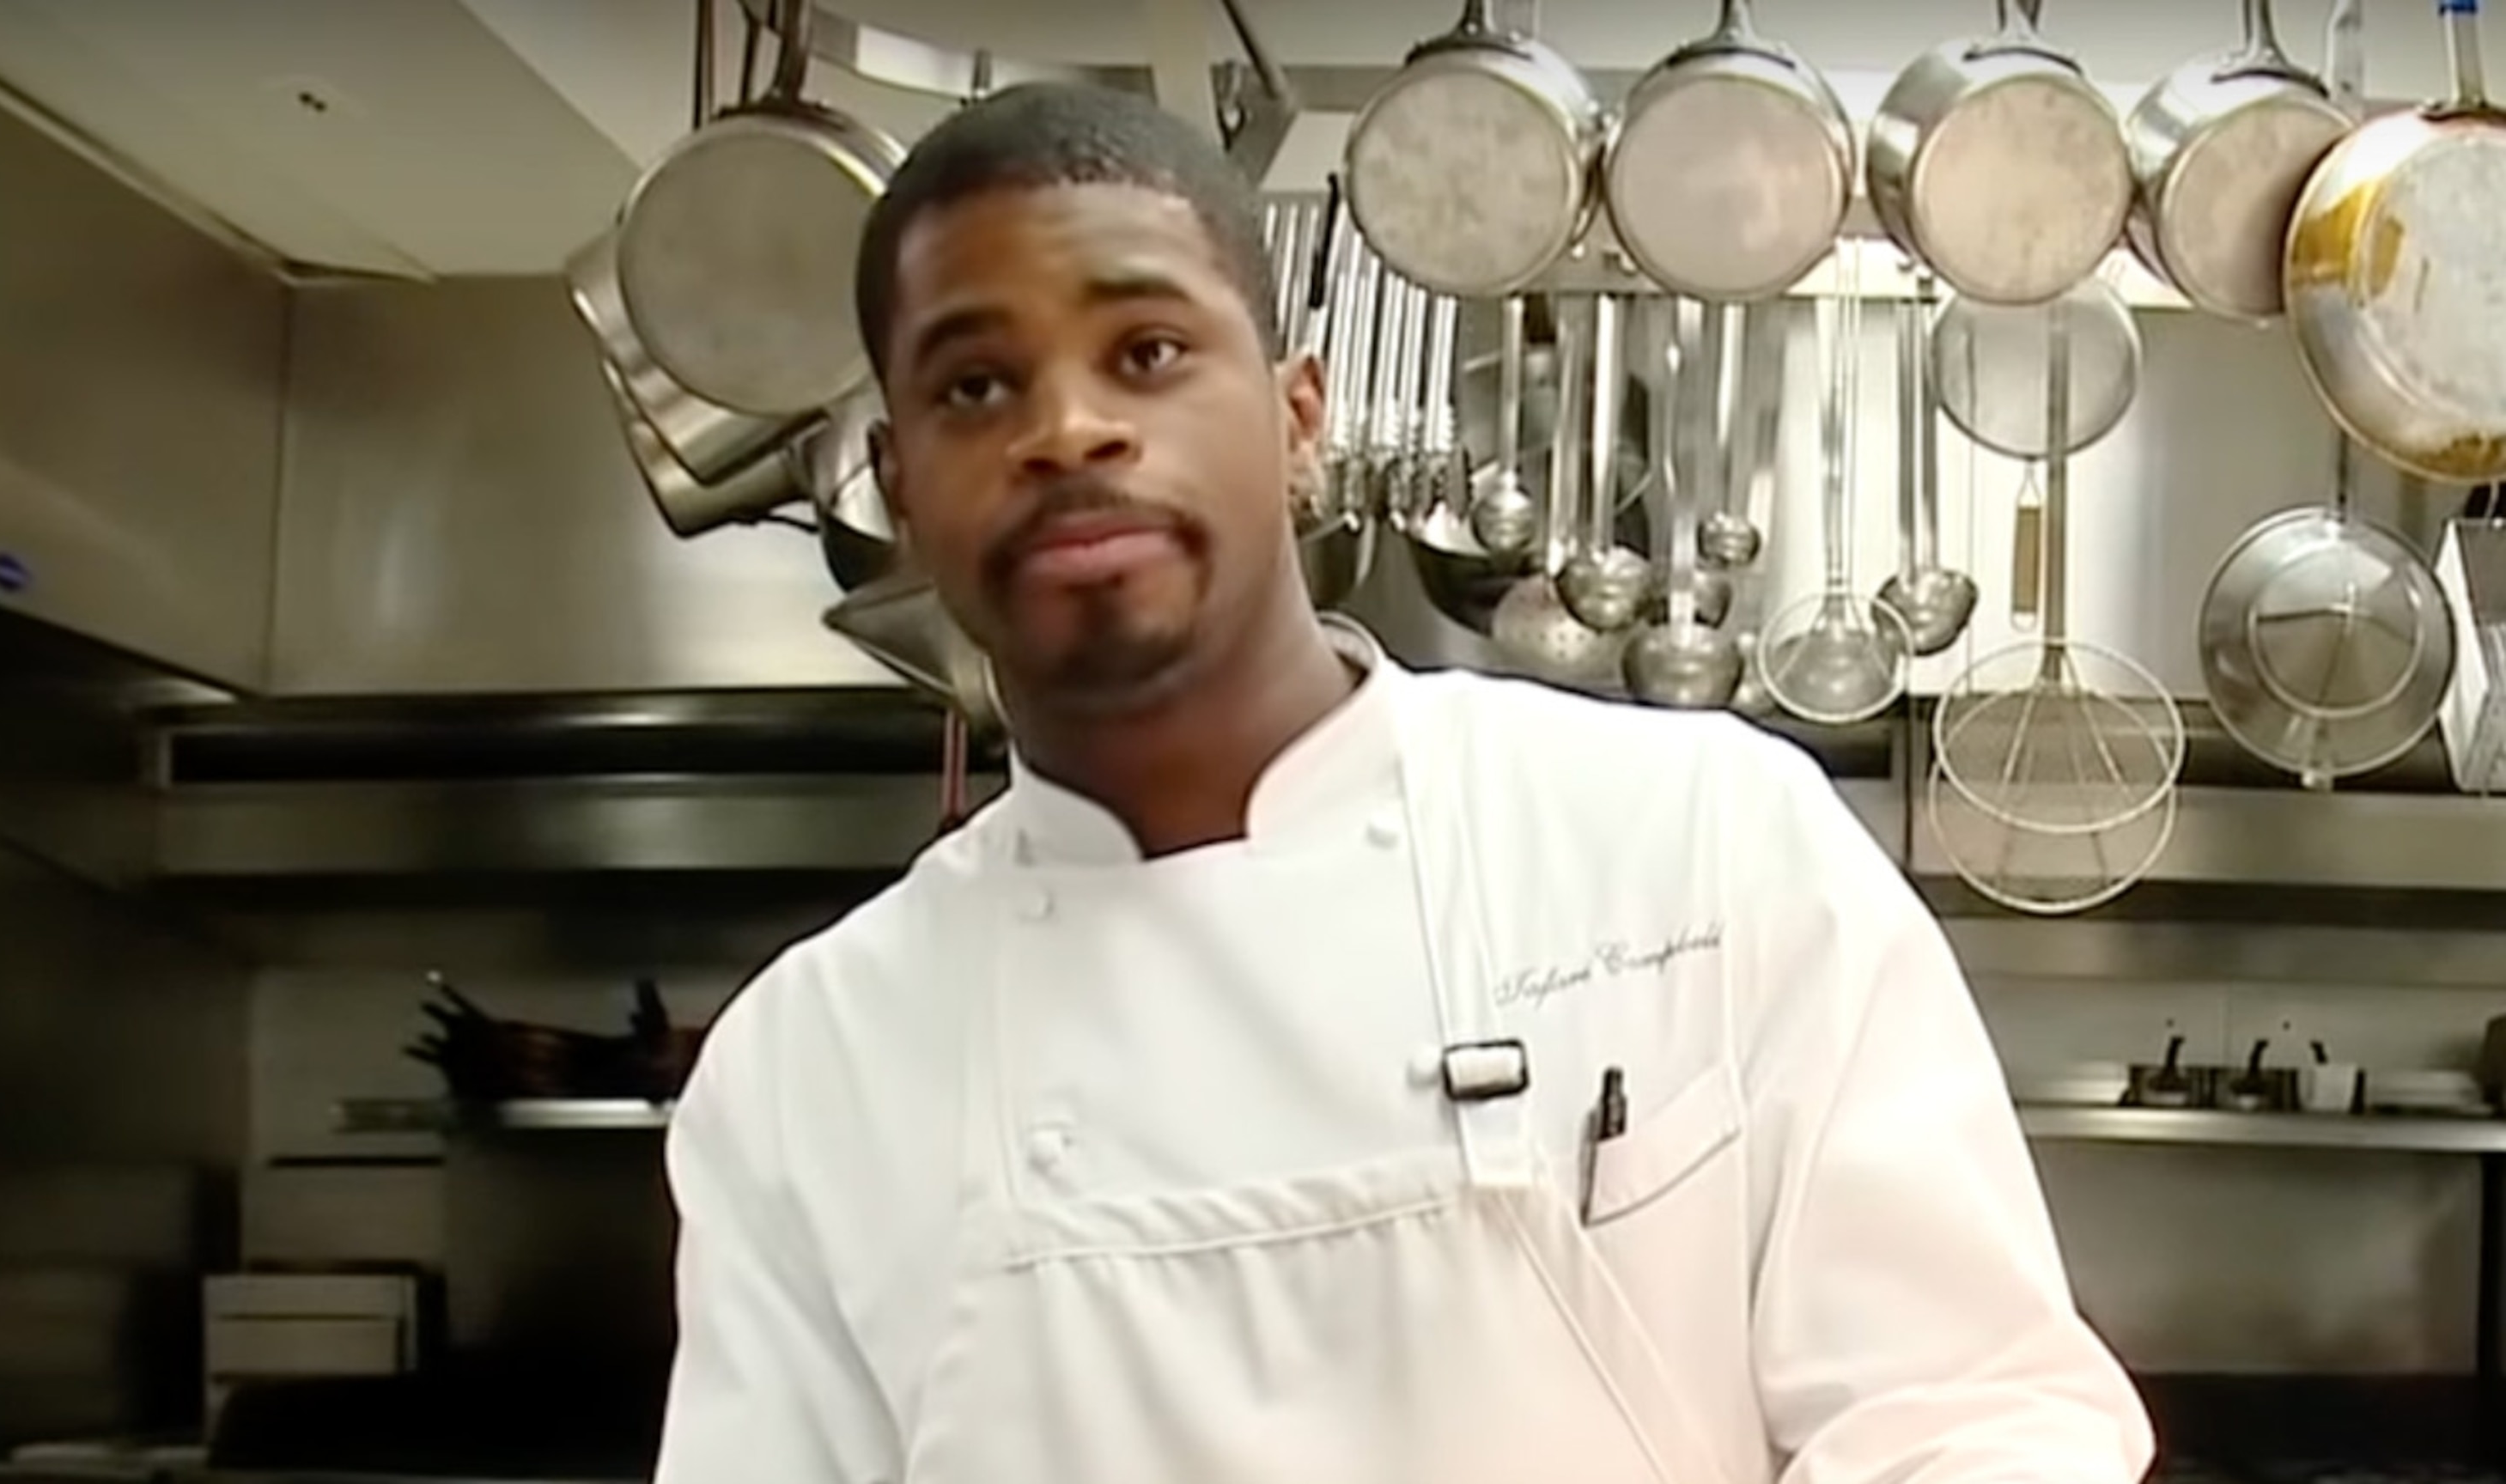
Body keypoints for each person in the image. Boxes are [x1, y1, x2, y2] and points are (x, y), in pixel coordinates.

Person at [655, 81, 2154, 1484]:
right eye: (976, 384)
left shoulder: (1702, 844)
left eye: (1149, 353)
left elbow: (1974, 1417)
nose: (1067, 431)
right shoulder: (807, 1071)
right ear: (902, 488)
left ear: (1299, 417)